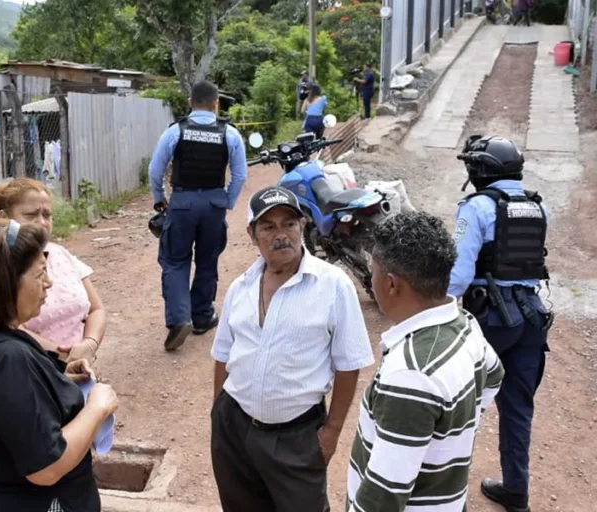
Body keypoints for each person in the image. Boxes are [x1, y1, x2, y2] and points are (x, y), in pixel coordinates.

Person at [0, 219, 119, 512]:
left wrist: (58, 381)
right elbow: (46, 467)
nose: (48, 283)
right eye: (39, 274)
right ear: (5, 285)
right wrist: (98, 406)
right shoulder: (8, 359)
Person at [210, 186, 374, 512]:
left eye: (289, 223)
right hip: (235, 429)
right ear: (252, 234)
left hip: (297, 437)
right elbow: (223, 355)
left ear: (302, 226)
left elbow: (349, 364)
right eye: (268, 227)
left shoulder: (332, 285)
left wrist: (331, 433)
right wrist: (218, 413)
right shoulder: (240, 287)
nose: (280, 234)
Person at [347, 211, 505, 512]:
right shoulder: (465, 324)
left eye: (373, 271)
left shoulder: (411, 373)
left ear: (392, 284)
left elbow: (383, 498)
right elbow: (495, 375)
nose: (371, 278)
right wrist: (451, 432)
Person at [449, 135, 552, 512]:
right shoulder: (537, 207)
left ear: (481, 171)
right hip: (532, 318)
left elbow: (458, 279)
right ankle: (516, 492)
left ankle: (450, 495)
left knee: (460, 407)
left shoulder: (476, 208)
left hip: (491, 319)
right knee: (517, 409)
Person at [148, 80, 247, 351]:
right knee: (207, 259)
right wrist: (227, 201)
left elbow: (155, 171)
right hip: (214, 203)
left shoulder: (175, 131)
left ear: (191, 102)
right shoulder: (230, 133)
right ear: (216, 104)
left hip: (181, 204)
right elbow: (240, 175)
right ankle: (202, 317)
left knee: (175, 260)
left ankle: (180, 319)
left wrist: (159, 200)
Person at [0, 178, 106, 366]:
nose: (42, 222)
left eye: (47, 215)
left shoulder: (62, 255)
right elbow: (8, 326)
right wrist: (63, 355)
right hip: (32, 371)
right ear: (4, 218)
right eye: (31, 215)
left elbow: (96, 309)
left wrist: (89, 344)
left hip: (81, 368)